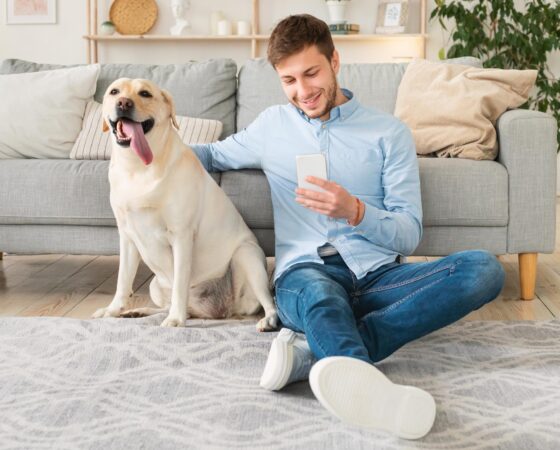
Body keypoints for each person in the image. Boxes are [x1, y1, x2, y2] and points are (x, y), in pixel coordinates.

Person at [192, 14, 505, 440]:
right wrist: (133, 140)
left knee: (483, 270)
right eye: (288, 81)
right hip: (306, 273)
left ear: (335, 61)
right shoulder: (270, 127)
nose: (302, 92)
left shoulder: (388, 133)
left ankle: (313, 354)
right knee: (322, 298)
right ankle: (373, 392)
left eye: (311, 73)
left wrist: (356, 211)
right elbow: (206, 156)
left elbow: (409, 232)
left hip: (380, 275)